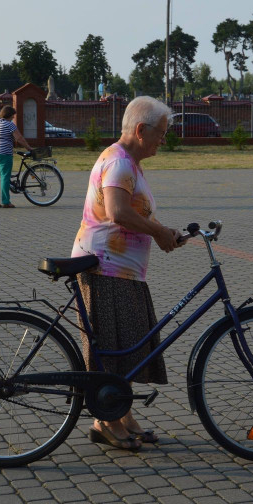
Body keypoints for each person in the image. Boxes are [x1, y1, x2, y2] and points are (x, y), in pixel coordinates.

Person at [71, 95, 186, 451]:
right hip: (104, 268)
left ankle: (122, 414)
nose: (163, 140)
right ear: (140, 130)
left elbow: (135, 213)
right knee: (109, 347)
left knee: (126, 348)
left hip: (123, 272)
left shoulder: (129, 163)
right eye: (161, 133)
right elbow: (119, 213)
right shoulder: (119, 163)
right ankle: (104, 420)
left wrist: (166, 231)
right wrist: (158, 232)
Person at [0, 106, 31, 209]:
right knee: (5, 177)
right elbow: (19, 138)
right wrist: (29, 148)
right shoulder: (10, 125)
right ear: (10, 115)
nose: (14, 117)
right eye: (13, 115)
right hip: (4, 154)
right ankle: (6, 202)